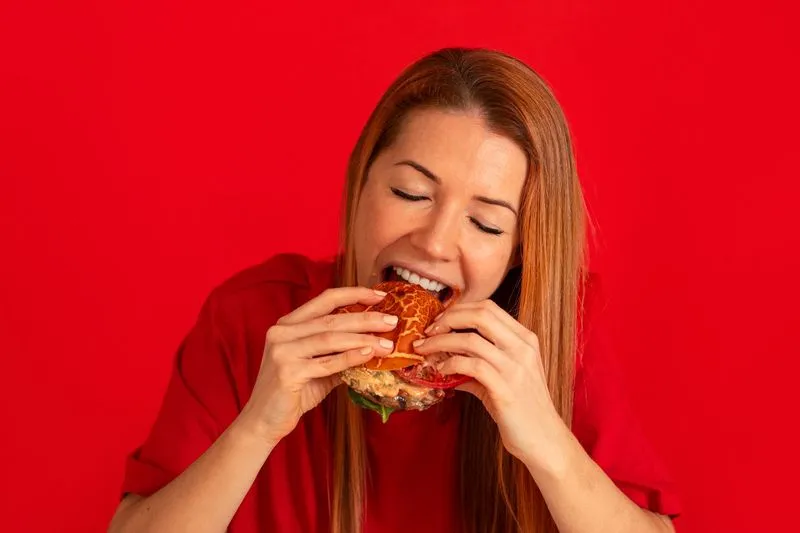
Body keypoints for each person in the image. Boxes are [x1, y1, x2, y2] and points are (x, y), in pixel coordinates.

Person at [108, 47, 681, 533]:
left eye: (485, 224)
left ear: (518, 252)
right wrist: (257, 427)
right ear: (362, 180)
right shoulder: (252, 317)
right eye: (411, 192)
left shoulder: (555, 336)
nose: (434, 242)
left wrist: (547, 444)